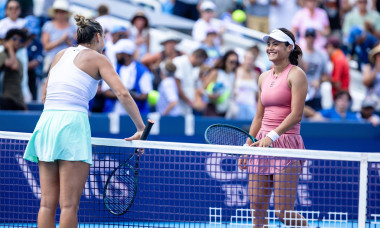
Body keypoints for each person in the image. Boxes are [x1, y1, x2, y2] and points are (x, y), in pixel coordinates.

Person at [23, 15, 145, 227]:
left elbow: (45, 95)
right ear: (98, 37)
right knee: (69, 205)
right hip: (72, 123)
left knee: (46, 204)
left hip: (46, 122)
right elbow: (122, 93)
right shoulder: (99, 58)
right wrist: (140, 127)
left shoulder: (59, 55)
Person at [238, 28, 309, 227]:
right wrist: (246, 147)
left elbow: (296, 115)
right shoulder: (262, 77)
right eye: (269, 44)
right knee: (257, 210)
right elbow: (259, 116)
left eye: (276, 44)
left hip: (285, 143)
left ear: (289, 48)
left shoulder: (297, 75)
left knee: (283, 212)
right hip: (261, 144)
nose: (270, 48)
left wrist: (272, 136)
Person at [101, 38, 153, 115]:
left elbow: (145, 94)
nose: (116, 55)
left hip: (136, 114)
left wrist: (132, 96)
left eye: (118, 53)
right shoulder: (113, 68)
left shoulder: (142, 71)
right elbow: (105, 91)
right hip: (114, 113)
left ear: (125, 54)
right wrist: (123, 95)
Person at [41, 0, 76, 77]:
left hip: (67, 62)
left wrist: (67, 41)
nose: (60, 14)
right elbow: (46, 47)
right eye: (58, 12)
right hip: (50, 61)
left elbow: (75, 47)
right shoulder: (48, 25)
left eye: (62, 12)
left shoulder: (73, 28)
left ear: (66, 13)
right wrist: (61, 39)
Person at [203, 50, 239, 117]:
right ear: (225, 61)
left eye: (235, 63)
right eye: (231, 62)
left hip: (225, 110)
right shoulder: (216, 72)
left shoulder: (233, 75)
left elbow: (231, 92)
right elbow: (203, 90)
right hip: (212, 108)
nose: (233, 65)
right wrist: (211, 95)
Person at [173, 48, 208, 115]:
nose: (201, 64)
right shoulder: (180, 62)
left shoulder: (195, 68)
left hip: (186, 109)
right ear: (196, 57)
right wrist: (190, 102)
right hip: (176, 109)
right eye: (202, 61)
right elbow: (177, 86)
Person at [0, 28, 27, 110]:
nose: (18, 42)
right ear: (7, 40)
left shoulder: (19, 61)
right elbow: (13, 66)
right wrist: (10, 47)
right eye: (14, 39)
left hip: (17, 100)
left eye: (20, 40)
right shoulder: (3, 55)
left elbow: (19, 84)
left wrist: (24, 104)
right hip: (5, 99)